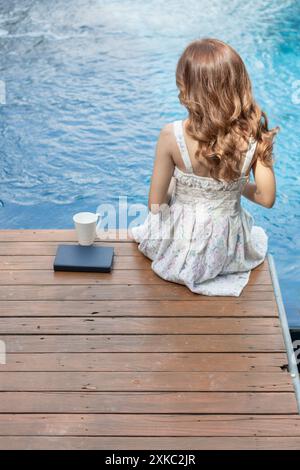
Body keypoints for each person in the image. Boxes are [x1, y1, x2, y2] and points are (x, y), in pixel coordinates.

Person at [130, 38, 279, 296]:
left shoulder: (171, 135)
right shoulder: (255, 134)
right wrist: (235, 185)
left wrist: (178, 184)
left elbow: (155, 204)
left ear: (187, 89)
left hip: (181, 242)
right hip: (227, 247)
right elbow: (266, 199)